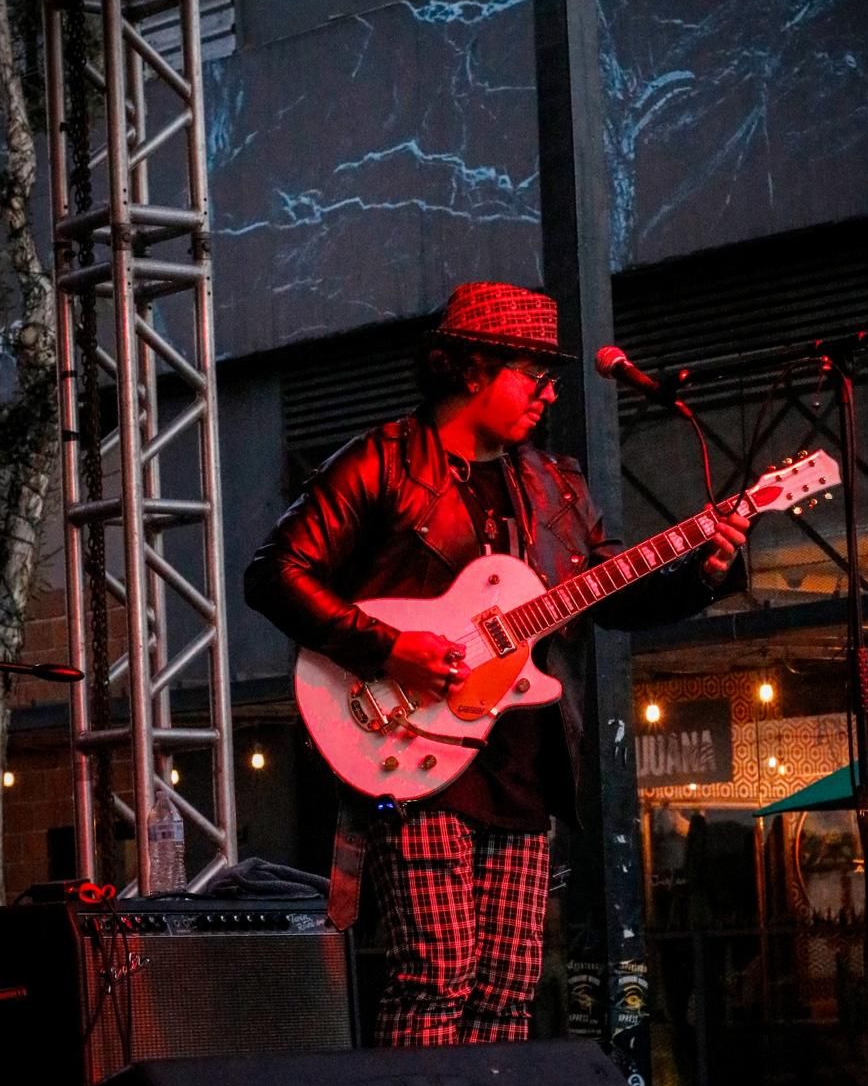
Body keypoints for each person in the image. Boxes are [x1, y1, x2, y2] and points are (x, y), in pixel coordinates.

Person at [244, 281, 748, 1047]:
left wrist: (702, 574)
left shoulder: (553, 484)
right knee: (434, 974)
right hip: (412, 748)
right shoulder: (383, 462)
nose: (549, 393)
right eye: (533, 374)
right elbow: (274, 573)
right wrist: (388, 647)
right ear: (472, 369)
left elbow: (609, 595)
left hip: (520, 759)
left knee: (508, 988)